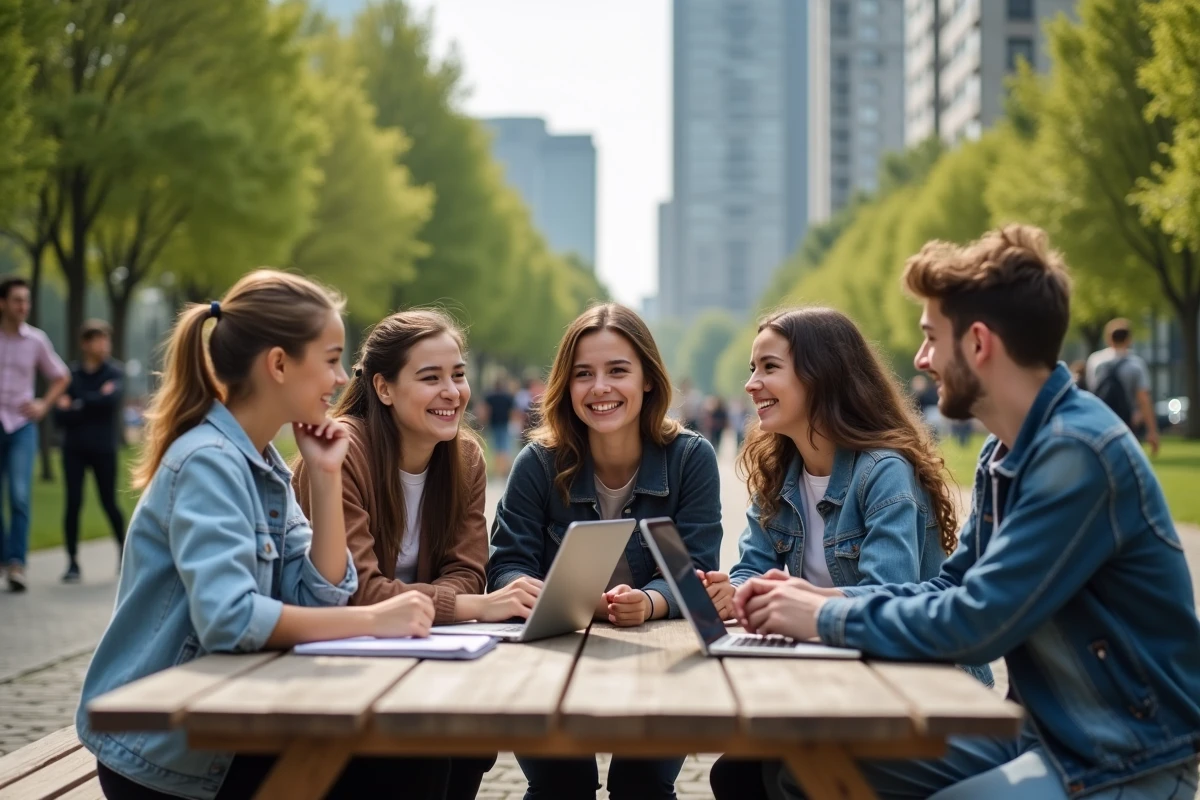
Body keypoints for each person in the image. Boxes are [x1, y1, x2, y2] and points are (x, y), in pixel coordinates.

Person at [734, 226, 1200, 799]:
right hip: (1045, 734)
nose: (921, 358)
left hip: (1127, 753)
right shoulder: (1004, 453)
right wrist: (821, 599)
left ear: (978, 343)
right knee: (800, 767)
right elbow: (949, 584)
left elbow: (980, 622)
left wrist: (824, 618)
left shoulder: (1077, 453)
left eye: (932, 337)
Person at [75, 271, 447, 800]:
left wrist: (324, 476)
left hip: (225, 724)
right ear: (278, 364)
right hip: (166, 750)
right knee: (394, 769)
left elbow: (320, 593)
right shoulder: (207, 463)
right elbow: (230, 620)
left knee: (412, 761)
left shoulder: (264, 462)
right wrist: (373, 619)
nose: (342, 378)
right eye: (330, 358)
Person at [708, 307, 992, 800]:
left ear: (822, 377)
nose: (752, 384)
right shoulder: (782, 471)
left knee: (780, 776)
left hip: (918, 689)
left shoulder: (883, 472)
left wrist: (797, 603)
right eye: (752, 369)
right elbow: (752, 567)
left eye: (769, 367)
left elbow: (888, 595)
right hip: (835, 680)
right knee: (735, 774)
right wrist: (731, 593)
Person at [293, 310, 542, 798]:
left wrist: (441, 602)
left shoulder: (464, 458)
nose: (452, 391)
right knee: (422, 755)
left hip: (421, 652)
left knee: (471, 738)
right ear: (383, 388)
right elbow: (356, 591)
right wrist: (473, 608)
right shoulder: (340, 454)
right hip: (335, 667)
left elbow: (467, 570)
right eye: (430, 378)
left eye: (458, 374)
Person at [489, 303, 728, 800]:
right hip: (550, 654)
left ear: (647, 379)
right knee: (560, 784)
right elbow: (506, 565)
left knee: (642, 785)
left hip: (661, 656)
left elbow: (697, 571)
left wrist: (650, 603)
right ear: (566, 385)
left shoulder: (692, 459)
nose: (600, 388)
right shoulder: (537, 463)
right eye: (583, 374)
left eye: (617, 370)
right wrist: (562, 598)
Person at [0, 276, 70, 592]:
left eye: (26, 300)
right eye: (17, 300)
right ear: (3, 303)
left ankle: (16, 564)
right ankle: (5, 557)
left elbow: (60, 376)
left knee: (19, 495)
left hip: (21, 426)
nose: (23, 306)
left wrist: (43, 406)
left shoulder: (36, 341)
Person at [54, 320, 126, 583]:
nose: (104, 345)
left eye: (106, 339)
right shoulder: (69, 375)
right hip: (74, 449)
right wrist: (91, 400)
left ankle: (124, 553)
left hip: (104, 449)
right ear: (85, 344)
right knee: (73, 503)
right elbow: (59, 415)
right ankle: (72, 562)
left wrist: (77, 403)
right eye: (98, 340)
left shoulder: (114, 372)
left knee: (109, 503)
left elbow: (110, 402)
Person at [1085, 318, 1160, 456]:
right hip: (1126, 423)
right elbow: (1143, 398)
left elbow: (1091, 390)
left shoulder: (1095, 361)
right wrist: (1152, 431)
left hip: (1100, 420)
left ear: (1108, 338)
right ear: (1129, 339)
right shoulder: (1136, 365)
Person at [483, 377, 517, 477]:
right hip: (504, 424)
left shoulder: (490, 397)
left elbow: (486, 411)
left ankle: (498, 470)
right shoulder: (507, 397)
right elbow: (512, 411)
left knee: (496, 448)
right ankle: (504, 469)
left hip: (493, 424)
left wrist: (485, 422)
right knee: (505, 447)